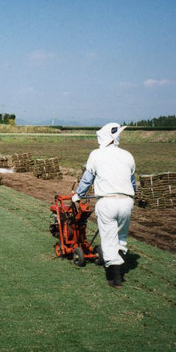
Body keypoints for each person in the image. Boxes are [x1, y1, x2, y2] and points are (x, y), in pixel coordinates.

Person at [71, 122, 136, 288]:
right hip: (127, 201)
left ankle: (115, 279)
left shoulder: (96, 155)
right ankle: (120, 270)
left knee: (108, 239)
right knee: (121, 237)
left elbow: (87, 179)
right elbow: (133, 182)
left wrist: (78, 195)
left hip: (107, 202)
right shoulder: (128, 155)